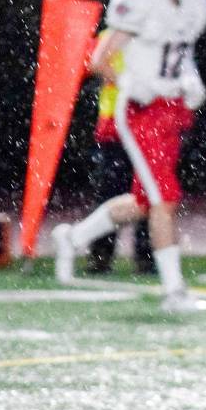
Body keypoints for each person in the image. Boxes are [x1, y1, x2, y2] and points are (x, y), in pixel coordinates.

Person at [52, 0, 206, 312]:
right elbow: (99, 59)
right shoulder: (135, 1)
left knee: (145, 199)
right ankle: (174, 291)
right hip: (139, 110)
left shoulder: (194, 4)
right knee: (163, 198)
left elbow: (181, 55)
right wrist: (131, 83)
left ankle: (72, 239)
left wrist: (190, 81)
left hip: (172, 110)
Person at [85, 32, 155, 276]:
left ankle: (146, 257)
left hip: (148, 123)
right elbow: (95, 64)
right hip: (117, 122)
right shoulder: (113, 35)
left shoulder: (154, 35)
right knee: (111, 190)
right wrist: (131, 86)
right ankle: (101, 255)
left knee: (150, 193)